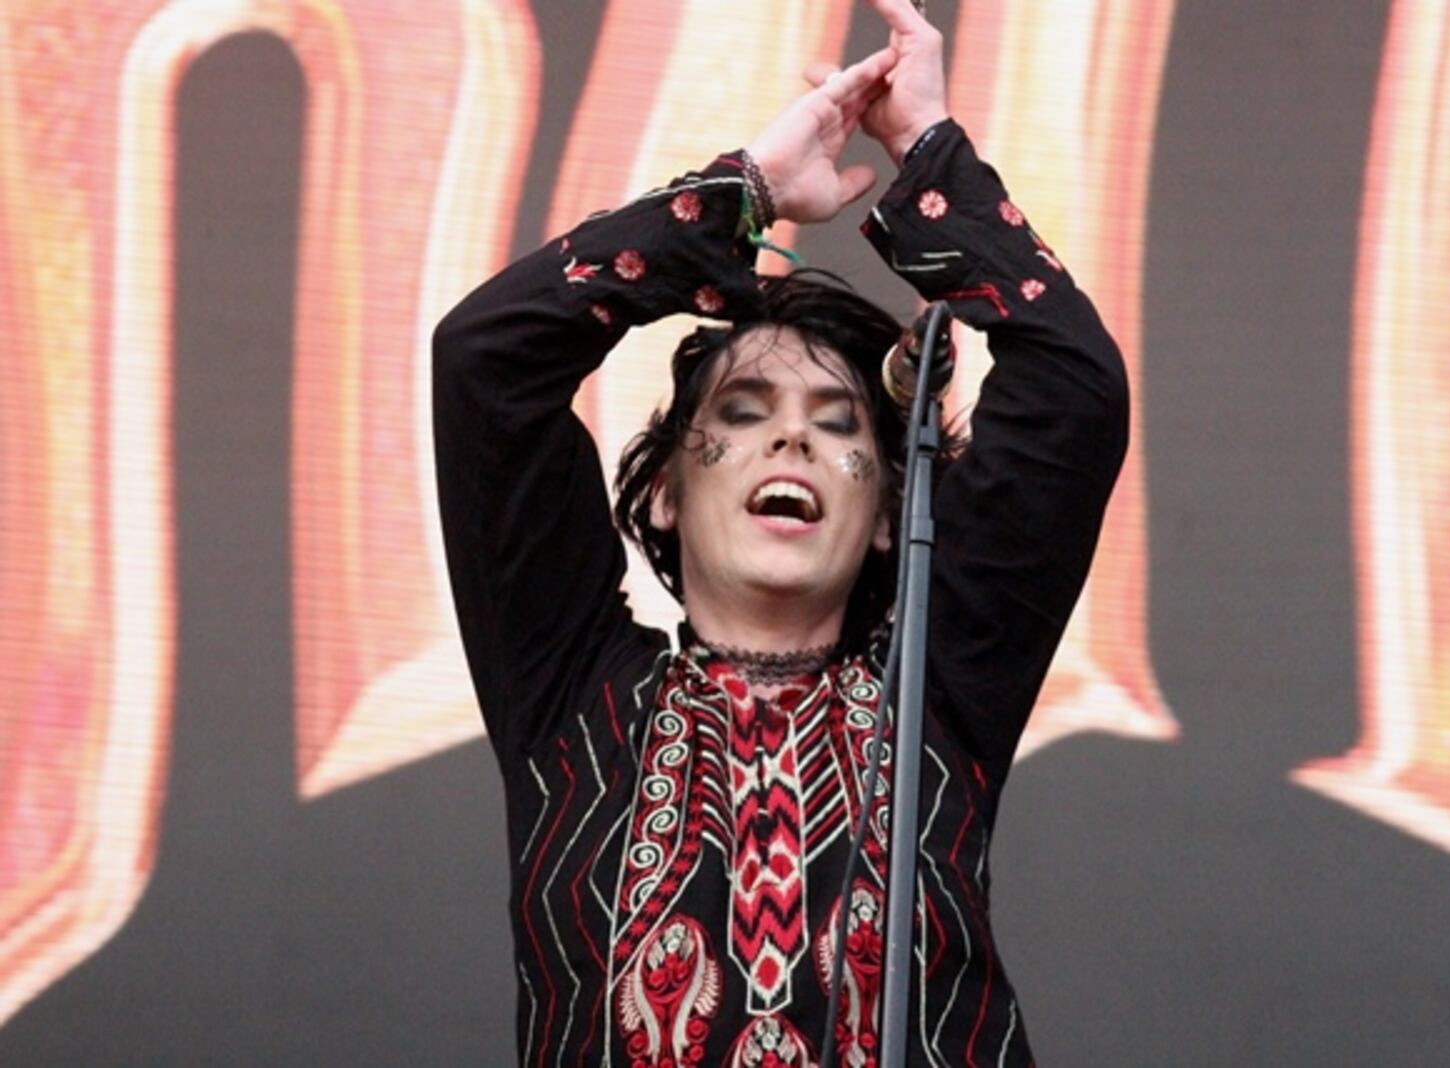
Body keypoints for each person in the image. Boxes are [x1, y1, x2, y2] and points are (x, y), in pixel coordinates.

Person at [432, 1, 1128, 1062]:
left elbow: (1073, 390)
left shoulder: (937, 696)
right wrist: (741, 194)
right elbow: (486, 362)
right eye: (744, 416)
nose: (790, 445)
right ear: (663, 490)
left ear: (894, 510)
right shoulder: (573, 696)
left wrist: (931, 160)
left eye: (838, 426)